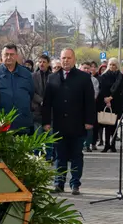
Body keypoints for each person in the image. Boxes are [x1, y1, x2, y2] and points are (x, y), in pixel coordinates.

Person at [41, 49, 96, 196]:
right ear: (60, 59)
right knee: (60, 156)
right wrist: (46, 122)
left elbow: (89, 102)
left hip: (77, 124)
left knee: (77, 155)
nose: (66, 61)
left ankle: (75, 184)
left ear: (74, 59)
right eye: (63, 58)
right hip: (59, 125)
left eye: (69, 58)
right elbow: (47, 103)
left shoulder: (83, 77)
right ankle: (59, 183)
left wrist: (89, 121)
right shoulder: (52, 78)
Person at [0, 44, 35, 132]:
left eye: (12, 54)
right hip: (0, 124)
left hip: (22, 123)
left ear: (16, 56)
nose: (9, 57)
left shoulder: (26, 74)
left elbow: (31, 93)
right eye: (6, 54)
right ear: (1, 56)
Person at [96, 59, 123, 152]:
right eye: (111, 64)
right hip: (105, 102)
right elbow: (101, 88)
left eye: (114, 65)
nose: (112, 66)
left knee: (114, 124)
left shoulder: (119, 75)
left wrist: (111, 97)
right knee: (106, 124)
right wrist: (105, 98)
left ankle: (113, 145)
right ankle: (106, 144)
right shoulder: (104, 75)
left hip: (115, 101)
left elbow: (119, 88)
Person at [31, 54, 52, 127]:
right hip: (37, 111)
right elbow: (31, 91)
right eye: (40, 62)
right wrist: (41, 100)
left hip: (50, 112)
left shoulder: (53, 76)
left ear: (48, 63)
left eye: (44, 62)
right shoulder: (33, 76)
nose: (41, 64)